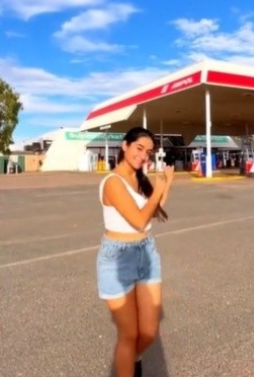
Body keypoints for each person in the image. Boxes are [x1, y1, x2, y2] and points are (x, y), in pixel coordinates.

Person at [96, 126, 175, 377]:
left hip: (147, 253)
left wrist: (167, 184)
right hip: (118, 258)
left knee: (149, 332)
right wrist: (159, 186)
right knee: (128, 335)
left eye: (148, 152)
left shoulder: (139, 179)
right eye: (139, 148)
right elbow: (139, 220)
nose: (143, 156)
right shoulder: (112, 182)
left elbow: (154, 210)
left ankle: (132, 359)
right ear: (124, 146)